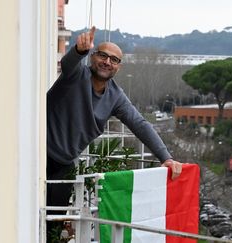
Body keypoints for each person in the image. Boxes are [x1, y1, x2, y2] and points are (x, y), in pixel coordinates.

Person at [46, 26, 182, 239]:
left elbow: (139, 123)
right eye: (103, 55)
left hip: (64, 165)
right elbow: (67, 64)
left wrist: (166, 157)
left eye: (114, 59)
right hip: (39, 153)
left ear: (118, 67)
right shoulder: (76, 75)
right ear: (93, 57)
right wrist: (78, 51)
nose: (107, 62)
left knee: (51, 228)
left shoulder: (116, 97)